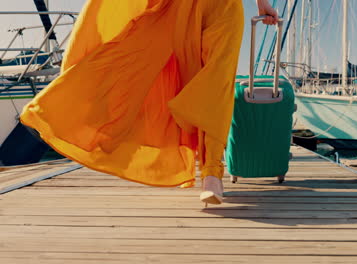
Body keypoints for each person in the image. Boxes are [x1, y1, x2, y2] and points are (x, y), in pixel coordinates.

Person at [20, 0, 278, 206]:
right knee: (133, 51)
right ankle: (63, 109)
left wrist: (261, 1)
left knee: (217, 81)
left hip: (225, 5)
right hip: (175, 5)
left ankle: (212, 173)